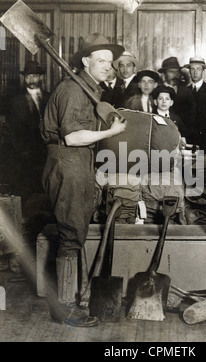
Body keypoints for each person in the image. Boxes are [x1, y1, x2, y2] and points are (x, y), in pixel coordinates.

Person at [40, 33, 126, 327]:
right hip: (68, 161)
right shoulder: (73, 91)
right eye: (101, 60)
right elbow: (72, 137)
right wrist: (110, 134)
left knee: (73, 230)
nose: (108, 66)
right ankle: (64, 307)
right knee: (71, 233)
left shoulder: (88, 89)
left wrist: (95, 167)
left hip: (78, 162)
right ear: (85, 61)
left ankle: (68, 299)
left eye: (110, 62)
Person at [6, 60, 51, 203]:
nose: (31, 79)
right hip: (25, 153)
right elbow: (12, 130)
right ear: (24, 78)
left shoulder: (49, 97)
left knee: (45, 187)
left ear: (41, 77)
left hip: (46, 150)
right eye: (28, 76)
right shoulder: (16, 100)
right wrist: (21, 151)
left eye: (35, 76)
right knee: (27, 188)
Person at [158, 57, 194, 131]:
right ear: (164, 74)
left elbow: (191, 117)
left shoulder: (187, 92)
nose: (175, 75)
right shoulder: (157, 91)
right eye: (171, 71)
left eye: (177, 72)